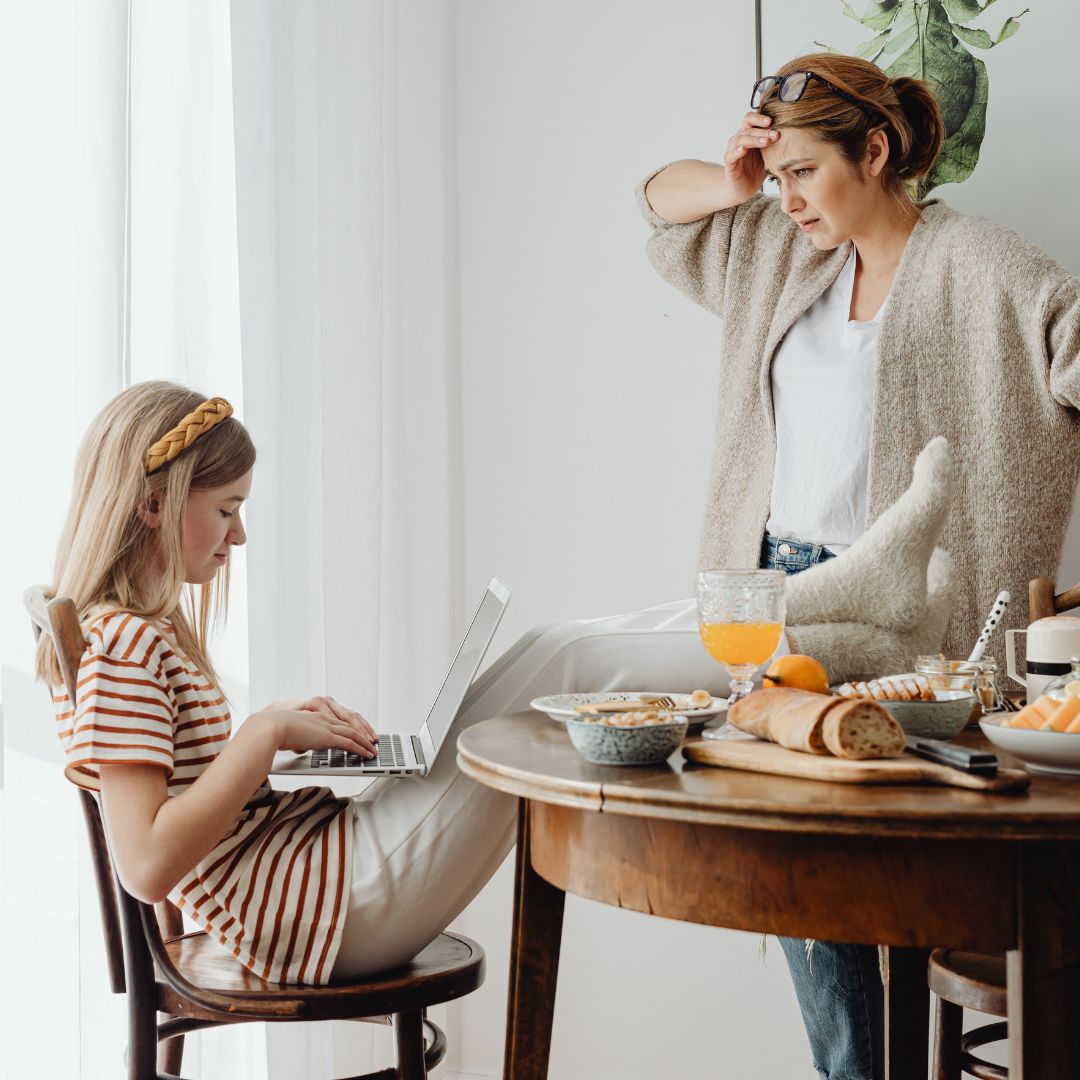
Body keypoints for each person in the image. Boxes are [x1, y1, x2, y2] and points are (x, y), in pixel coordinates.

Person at [39, 379, 808, 985]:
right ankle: (799, 634)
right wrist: (263, 734)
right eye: (228, 509)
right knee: (560, 665)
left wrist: (272, 727)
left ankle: (791, 625)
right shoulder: (123, 647)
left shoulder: (135, 637)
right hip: (334, 909)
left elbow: (180, 809)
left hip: (328, 880)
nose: (240, 534)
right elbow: (144, 867)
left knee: (549, 650)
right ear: (151, 505)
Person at [638, 52, 1080, 1079]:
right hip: (776, 598)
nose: (787, 197)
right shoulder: (775, 250)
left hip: (911, 614)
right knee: (807, 876)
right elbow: (660, 208)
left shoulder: (983, 264)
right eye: (779, 174)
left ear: (874, 151)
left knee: (904, 871)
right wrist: (740, 174)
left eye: (806, 171)